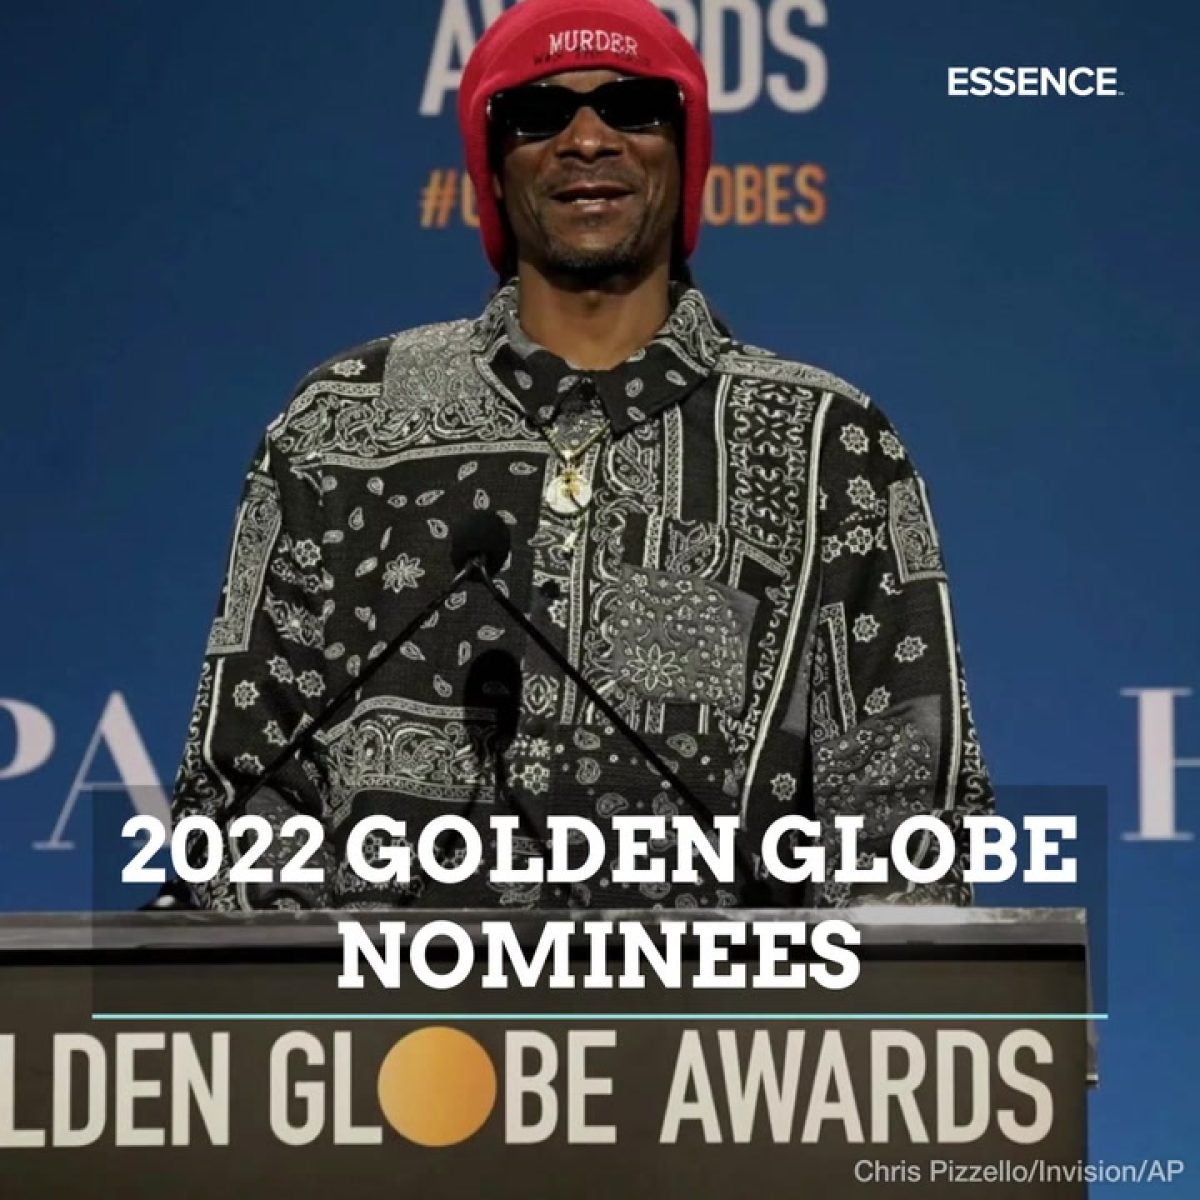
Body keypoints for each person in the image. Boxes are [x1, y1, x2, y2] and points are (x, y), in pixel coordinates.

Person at [170, 0, 993, 911]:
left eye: (633, 107)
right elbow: (239, 800)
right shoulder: (340, 425)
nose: (589, 140)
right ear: (493, 163)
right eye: (540, 113)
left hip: (712, 1003)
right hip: (395, 1003)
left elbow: (902, 831)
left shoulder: (827, 441)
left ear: (686, 150)